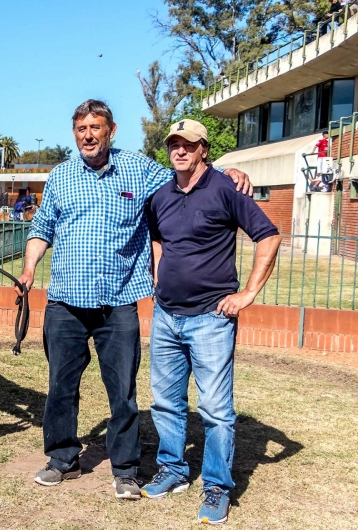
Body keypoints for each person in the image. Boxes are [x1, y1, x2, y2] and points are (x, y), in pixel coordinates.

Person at [15, 99, 252, 500]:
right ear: (74, 133)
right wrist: (29, 269)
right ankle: (62, 458)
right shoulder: (60, 176)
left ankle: (125, 469)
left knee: (122, 391)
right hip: (65, 304)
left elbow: (187, 176)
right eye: (80, 129)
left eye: (95, 128)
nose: (88, 135)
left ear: (111, 131)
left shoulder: (140, 169)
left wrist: (227, 172)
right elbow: (42, 227)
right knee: (60, 386)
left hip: (119, 302)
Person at [143, 119, 281, 524]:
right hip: (167, 317)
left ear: (204, 149)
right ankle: (173, 469)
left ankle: (217, 487)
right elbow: (158, 237)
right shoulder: (161, 195)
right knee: (166, 402)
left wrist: (248, 294)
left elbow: (268, 237)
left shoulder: (225, 188)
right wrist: (158, 276)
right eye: (174, 144)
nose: (180, 151)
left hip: (211, 320)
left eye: (188, 144)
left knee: (216, 410)